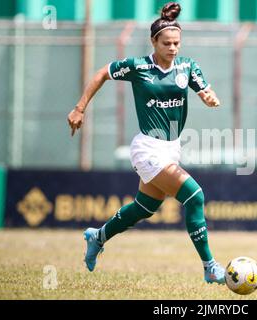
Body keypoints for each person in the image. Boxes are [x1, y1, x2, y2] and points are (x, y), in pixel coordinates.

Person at [67, 2, 225, 284]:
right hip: (148, 148)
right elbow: (102, 72)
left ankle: (98, 236)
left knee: (145, 208)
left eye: (177, 43)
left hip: (171, 148)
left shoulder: (187, 66)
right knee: (195, 196)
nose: (173, 48)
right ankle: (210, 267)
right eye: (167, 43)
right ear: (154, 41)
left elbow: (204, 89)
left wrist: (209, 96)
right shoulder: (138, 66)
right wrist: (79, 108)